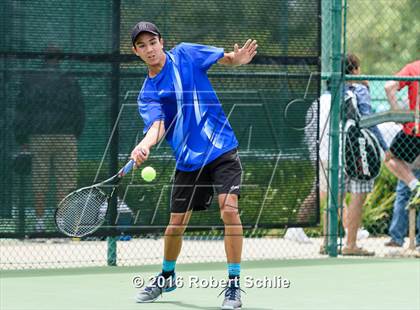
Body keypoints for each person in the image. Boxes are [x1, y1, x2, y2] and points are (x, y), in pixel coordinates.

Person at [129, 21, 257, 309]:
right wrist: (145, 144)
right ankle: (167, 275)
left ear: (162, 41)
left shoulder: (186, 54)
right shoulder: (148, 93)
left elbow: (224, 57)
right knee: (175, 226)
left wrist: (235, 60)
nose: (149, 49)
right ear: (135, 51)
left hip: (221, 147)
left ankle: (233, 286)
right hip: (188, 160)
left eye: (152, 42)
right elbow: (158, 125)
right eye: (142, 45)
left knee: (229, 208)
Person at [14, 44, 84, 232]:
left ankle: (39, 224)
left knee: (40, 180)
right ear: (59, 59)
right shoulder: (70, 79)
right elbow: (79, 109)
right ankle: (62, 225)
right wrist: (75, 133)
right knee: (66, 181)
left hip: (39, 137)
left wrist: (22, 140)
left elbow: (22, 110)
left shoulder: (31, 80)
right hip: (66, 136)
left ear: (42, 58)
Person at [341, 53, 388, 256]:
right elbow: (368, 120)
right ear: (355, 70)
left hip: (338, 146)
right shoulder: (360, 90)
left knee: (336, 196)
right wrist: (385, 147)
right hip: (359, 148)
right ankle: (350, 244)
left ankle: (328, 241)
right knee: (358, 197)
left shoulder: (331, 89)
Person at [383, 60, 420, 248]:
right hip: (414, 131)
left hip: (414, 132)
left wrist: (396, 111)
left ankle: (414, 183)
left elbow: (389, 86)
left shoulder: (414, 68)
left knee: (390, 159)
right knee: (405, 184)